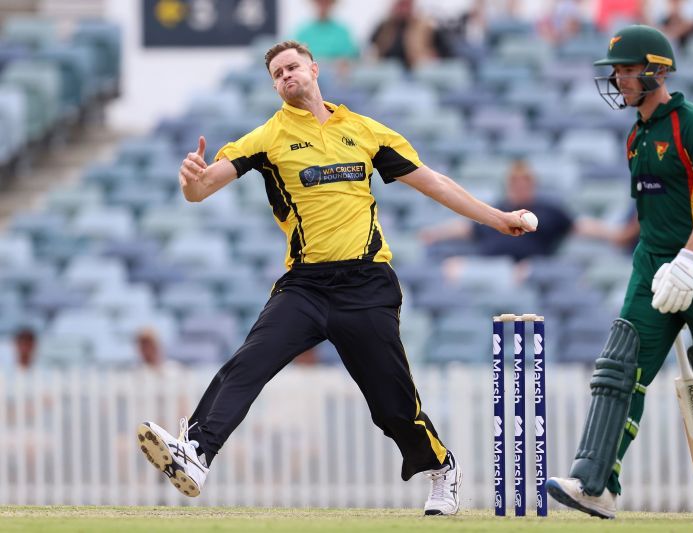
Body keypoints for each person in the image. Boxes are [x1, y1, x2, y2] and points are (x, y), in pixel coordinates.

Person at [137, 40, 534, 515]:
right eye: (277, 73)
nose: (286, 76)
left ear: (313, 68)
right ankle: (197, 452)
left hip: (367, 285)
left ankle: (441, 467)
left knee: (392, 406)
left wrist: (497, 217)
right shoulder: (268, 136)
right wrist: (191, 181)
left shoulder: (364, 131)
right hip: (305, 285)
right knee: (249, 362)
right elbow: (204, 188)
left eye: (292, 67)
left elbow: (434, 182)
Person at [545, 25, 693, 521]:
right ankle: (596, 485)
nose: (616, 79)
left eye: (626, 70)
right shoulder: (637, 134)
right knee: (620, 364)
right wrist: (661, 262)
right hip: (653, 267)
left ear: (655, 70)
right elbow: (655, 211)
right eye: (615, 71)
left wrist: (691, 259)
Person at [419, 160, 573, 262]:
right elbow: (466, 228)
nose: (520, 188)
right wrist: (435, 234)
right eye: (515, 183)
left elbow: (578, 226)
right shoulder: (496, 211)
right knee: (453, 265)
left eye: (524, 184)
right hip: (490, 265)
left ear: (533, 185)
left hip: (529, 268)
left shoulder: (549, 211)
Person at [368, 0, 442, 70]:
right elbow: (373, 48)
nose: (403, 9)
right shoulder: (384, 27)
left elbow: (441, 51)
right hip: (388, 69)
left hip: (417, 70)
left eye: (407, 5)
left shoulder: (426, 26)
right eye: (401, 5)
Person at [293, 0, 359, 61]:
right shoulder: (302, 33)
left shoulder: (343, 33)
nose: (323, 3)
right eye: (320, 1)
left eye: (326, 1)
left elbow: (354, 60)